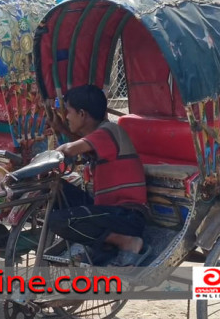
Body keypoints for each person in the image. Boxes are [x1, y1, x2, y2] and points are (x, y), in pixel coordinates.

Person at [47, 85, 150, 267]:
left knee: (58, 220)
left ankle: (127, 241)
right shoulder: (99, 136)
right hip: (106, 210)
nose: (66, 117)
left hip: (126, 216)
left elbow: (70, 149)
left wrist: (37, 164)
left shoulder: (110, 131)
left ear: (82, 114)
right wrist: (62, 129)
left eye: (68, 112)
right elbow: (80, 142)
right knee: (54, 188)